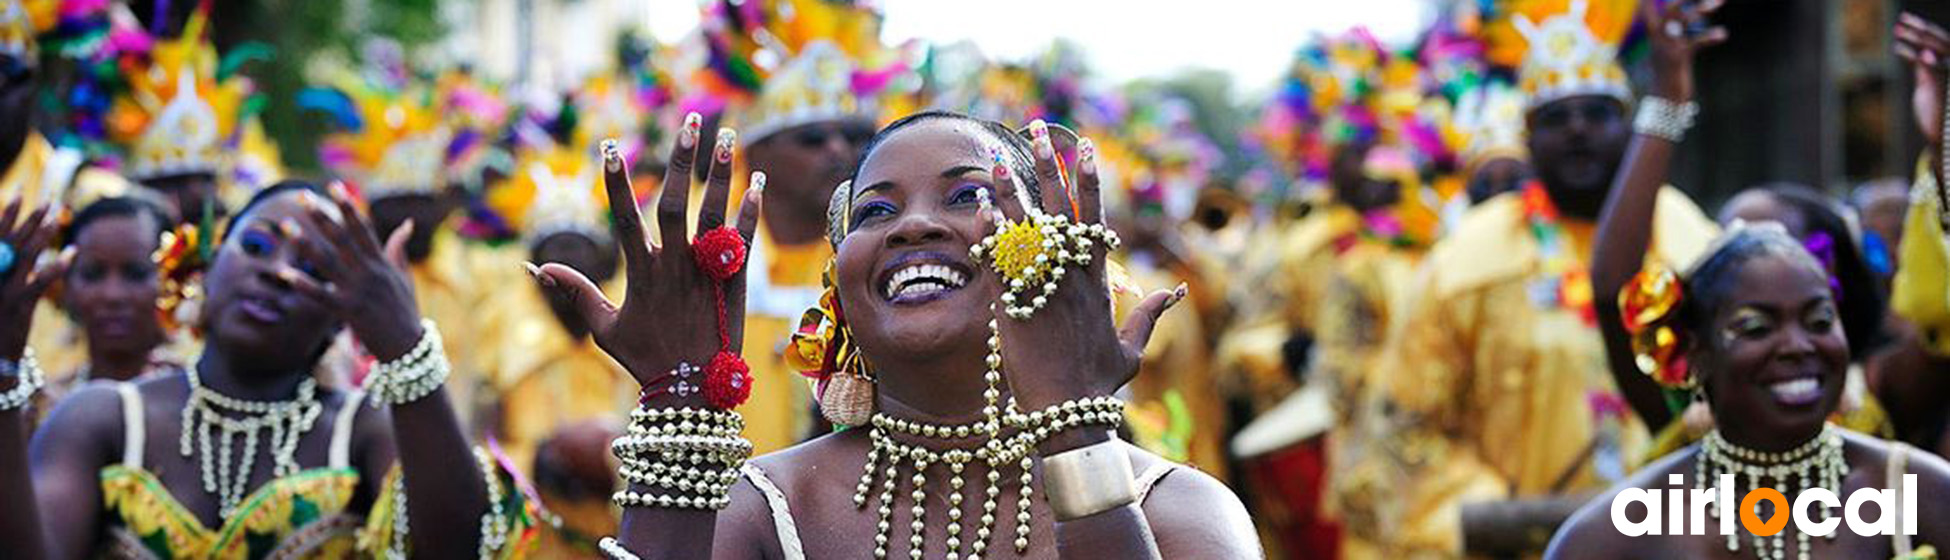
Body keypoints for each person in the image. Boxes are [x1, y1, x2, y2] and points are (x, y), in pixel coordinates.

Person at [528, 110, 1259, 558]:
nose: (911, 224)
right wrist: (677, 406)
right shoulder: (768, 505)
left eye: (969, 194)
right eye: (875, 211)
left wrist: (1074, 437)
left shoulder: (1176, 509)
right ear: (839, 284)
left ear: (1054, 257)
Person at [0, 180, 536, 558]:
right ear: (205, 267)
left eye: (312, 267)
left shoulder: (365, 431)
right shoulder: (100, 418)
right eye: (256, 245)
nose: (278, 273)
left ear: (339, 316)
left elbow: (461, 547)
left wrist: (404, 345)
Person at [1371, 0, 1721, 555]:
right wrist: (1506, 515)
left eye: (1598, 113)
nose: (1578, 131)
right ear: (1527, 138)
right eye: (1555, 118)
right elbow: (1405, 428)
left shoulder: (1688, 237)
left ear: (1628, 127)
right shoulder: (1469, 257)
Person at [1547, 223, 1950, 558]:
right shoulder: (1617, 533)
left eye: (1819, 320)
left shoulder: (1917, 492)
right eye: (1757, 328)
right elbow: (1608, 286)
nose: (1797, 345)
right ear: (1695, 351)